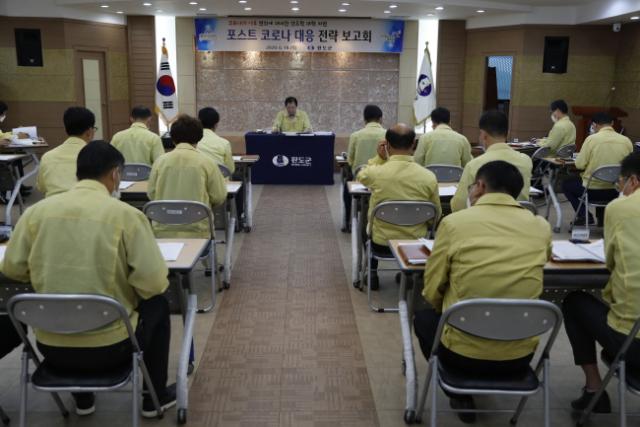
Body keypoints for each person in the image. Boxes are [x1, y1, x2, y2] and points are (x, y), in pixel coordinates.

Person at [1, 141, 175, 418]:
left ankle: (83, 400)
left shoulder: (35, 213)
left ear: (78, 172)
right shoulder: (127, 216)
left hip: (51, 347)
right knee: (159, 305)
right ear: (115, 174)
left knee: (68, 302)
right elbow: (153, 283)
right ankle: (153, 400)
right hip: (113, 347)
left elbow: (13, 269)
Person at [415, 160, 552, 423]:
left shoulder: (454, 223)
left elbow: (432, 287)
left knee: (423, 318)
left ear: (479, 186)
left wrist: (446, 307)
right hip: (519, 357)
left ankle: (458, 393)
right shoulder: (540, 226)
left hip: (462, 355)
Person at [562, 152, 640, 415]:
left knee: (574, 301)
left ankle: (594, 390)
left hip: (634, 344)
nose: (619, 188)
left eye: (620, 182)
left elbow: (610, 261)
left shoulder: (621, 208)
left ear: (633, 181)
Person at [357, 124, 441, 290]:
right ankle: (410, 274)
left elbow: (361, 175)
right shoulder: (428, 177)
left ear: (387, 145)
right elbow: (436, 215)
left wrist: (379, 158)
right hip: (415, 243)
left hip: (381, 244)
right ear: (413, 145)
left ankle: (372, 273)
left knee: (365, 221)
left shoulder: (376, 173)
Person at [148, 114, 227, 238]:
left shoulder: (160, 161)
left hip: (163, 228)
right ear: (199, 138)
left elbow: (151, 193)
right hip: (197, 229)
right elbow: (218, 196)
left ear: (173, 138)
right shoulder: (207, 162)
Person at [451, 110, 532, 212]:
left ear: (483, 135)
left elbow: (458, 205)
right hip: (519, 218)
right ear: (507, 133)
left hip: (483, 219)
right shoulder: (526, 161)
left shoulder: (474, 165)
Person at [562, 112, 633, 226]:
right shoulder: (626, 141)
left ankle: (584, 216)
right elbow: (630, 165)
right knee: (605, 179)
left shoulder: (591, 139)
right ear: (612, 123)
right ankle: (602, 219)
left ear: (594, 125)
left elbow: (580, 165)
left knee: (566, 184)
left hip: (592, 191)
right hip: (616, 190)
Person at [343, 105, 386, 231]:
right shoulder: (387, 135)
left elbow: (350, 160)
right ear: (381, 119)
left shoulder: (355, 135)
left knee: (346, 187)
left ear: (364, 120)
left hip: (360, 182)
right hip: (382, 182)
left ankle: (348, 222)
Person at [36, 107, 95, 198]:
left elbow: (42, 187)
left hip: (54, 205)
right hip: (88, 204)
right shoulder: (97, 156)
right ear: (89, 132)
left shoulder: (47, 157)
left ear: (65, 129)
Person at [197, 107, 235, 174]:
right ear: (216, 124)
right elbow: (230, 169)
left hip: (197, 178)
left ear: (199, 122)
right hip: (218, 179)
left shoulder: (191, 142)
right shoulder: (224, 143)